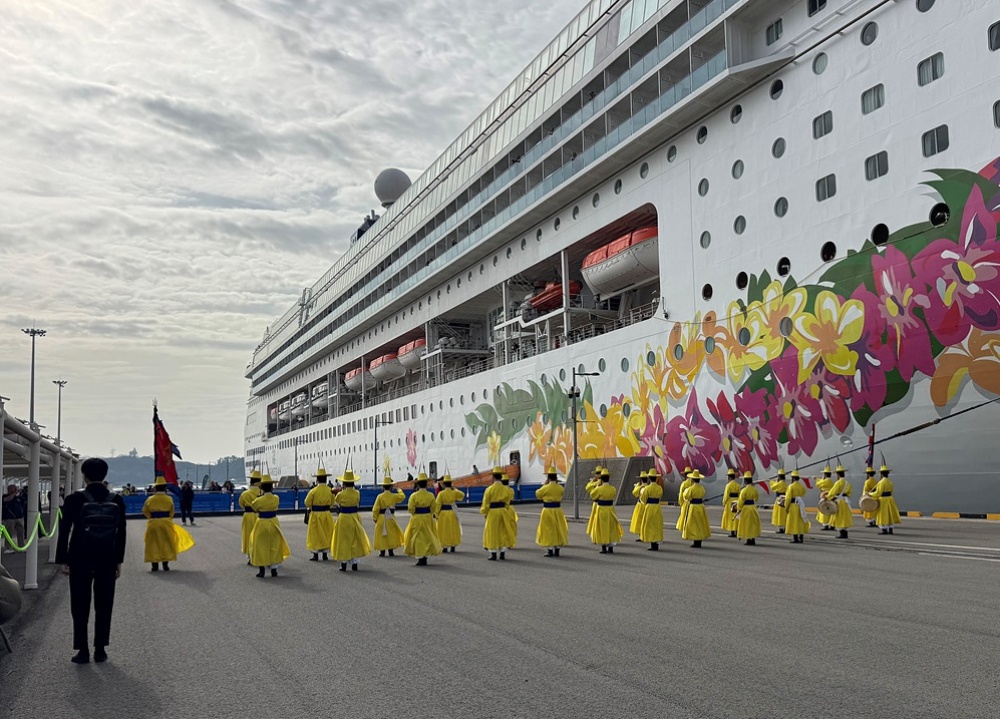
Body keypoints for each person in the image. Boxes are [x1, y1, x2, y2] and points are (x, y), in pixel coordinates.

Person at [55, 458, 127, 664]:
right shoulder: (116, 499)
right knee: (104, 604)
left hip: (80, 557)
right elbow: (121, 533)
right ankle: (101, 649)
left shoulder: (73, 499)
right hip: (106, 557)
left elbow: (64, 530)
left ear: (84, 475)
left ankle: (83, 650)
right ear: (104, 475)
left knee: (79, 604)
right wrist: (118, 561)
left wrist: (63, 559)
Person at [141, 475, 195, 571]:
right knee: (166, 543)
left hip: (153, 523)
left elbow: (145, 510)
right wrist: (167, 518)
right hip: (166, 522)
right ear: (165, 488)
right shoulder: (169, 499)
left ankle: (154, 565)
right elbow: (172, 512)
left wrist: (152, 517)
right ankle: (165, 564)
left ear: (155, 488)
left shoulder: (150, 499)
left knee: (153, 543)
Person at [249, 474, 290, 577]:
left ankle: (261, 569)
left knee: (260, 545)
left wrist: (260, 497)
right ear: (272, 487)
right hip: (273, 522)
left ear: (261, 487)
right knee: (274, 545)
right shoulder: (276, 498)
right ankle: (274, 569)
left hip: (262, 522)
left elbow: (254, 507)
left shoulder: (259, 500)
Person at [330, 470, 371, 571]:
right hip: (354, 517)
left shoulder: (340, 494)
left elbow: (336, 503)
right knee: (355, 540)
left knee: (343, 540)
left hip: (344, 517)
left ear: (344, 483)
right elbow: (357, 503)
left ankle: (343, 564)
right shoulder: (357, 493)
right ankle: (354, 563)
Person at [404, 473, 442, 566]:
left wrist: (414, 513)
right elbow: (434, 507)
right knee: (427, 536)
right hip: (427, 517)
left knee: (417, 537)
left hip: (417, 517)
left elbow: (411, 508)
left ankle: (420, 556)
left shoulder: (414, 496)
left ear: (417, 484)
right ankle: (425, 556)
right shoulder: (431, 495)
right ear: (426, 484)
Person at [481, 467, 516, 560]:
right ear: (501, 477)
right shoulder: (506, 489)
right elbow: (508, 501)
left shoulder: (489, 489)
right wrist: (506, 508)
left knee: (492, 531)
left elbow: (486, 502)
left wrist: (485, 512)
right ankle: (502, 551)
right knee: (503, 530)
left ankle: (493, 553)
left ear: (493, 477)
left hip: (493, 512)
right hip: (503, 510)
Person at [535, 467, 569, 557]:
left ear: (548, 477)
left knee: (548, 529)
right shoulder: (560, 488)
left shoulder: (546, 487)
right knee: (558, 528)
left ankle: (550, 549)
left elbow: (538, 494)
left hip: (547, 510)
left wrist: (544, 485)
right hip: (558, 510)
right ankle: (557, 548)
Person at [588, 470, 623, 553]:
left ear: (602, 479)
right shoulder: (613, 489)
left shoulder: (599, 489)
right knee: (611, 527)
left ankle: (604, 546)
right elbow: (613, 495)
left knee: (602, 528)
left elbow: (592, 495)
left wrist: (597, 486)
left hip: (602, 509)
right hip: (610, 509)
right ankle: (611, 547)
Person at [304, 468, 335, 561]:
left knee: (315, 534)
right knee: (326, 533)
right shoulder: (330, 490)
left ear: (317, 479)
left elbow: (307, 502)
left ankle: (315, 554)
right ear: (326, 479)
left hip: (316, 514)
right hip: (326, 514)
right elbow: (333, 503)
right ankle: (325, 554)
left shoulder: (313, 491)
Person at [372, 475, 406, 557]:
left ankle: (382, 551)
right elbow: (402, 497)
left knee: (381, 533)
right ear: (391, 487)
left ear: (383, 487)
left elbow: (375, 508)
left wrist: (375, 517)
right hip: (390, 517)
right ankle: (391, 550)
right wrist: (399, 490)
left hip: (381, 516)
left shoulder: (380, 496)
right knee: (391, 533)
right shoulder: (393, 496)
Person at [434, 474, 465, 552]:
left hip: (443, 514)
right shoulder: (453, 492)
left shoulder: (441, 493)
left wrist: (436, 514)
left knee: (444, 530)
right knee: (453, 529)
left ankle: (444, 546)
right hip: (452, 513)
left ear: (444, 484)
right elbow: (462, 495)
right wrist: (454, 489)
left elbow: (438, 504)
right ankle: (453, 545)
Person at [238, 471, 263, 565]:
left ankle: (250, 556)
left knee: (248, 535)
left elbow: (241, 504)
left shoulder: (245, 494)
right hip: (260, 515)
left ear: (251, 482)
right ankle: (260, 555)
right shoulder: (261, 493)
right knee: (259, 536)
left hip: (248, 515)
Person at [681, 470, 710, 548]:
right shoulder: (702, 488)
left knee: (693, 524)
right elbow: (703, 494)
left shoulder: (691, 488)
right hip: (700, 506)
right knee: (700, 524)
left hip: (693, 507)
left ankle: (695, 539)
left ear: (692, 479)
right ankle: (699, 540)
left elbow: (685, 496)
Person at [871, 464, 901, 535]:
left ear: (881, 473)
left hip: (883, 500)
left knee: (883, 514)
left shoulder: (881, 482)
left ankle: (884, 530)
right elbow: (891, 490)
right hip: (890, 499)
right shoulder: (890, 482)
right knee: (890, 514)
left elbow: (878, 493)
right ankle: (890, 529)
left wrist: (870, 494)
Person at [638, 469, 664, 551]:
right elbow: (660, 497)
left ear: (649, 478)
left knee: (649, 524)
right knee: (657, 525)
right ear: (656, 478)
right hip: (657, 506)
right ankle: (656, 542)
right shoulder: (659, 488)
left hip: (649, 507)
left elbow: (643, 499)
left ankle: (652, 542)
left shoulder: (647, 488)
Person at [783, 470, 811, 543]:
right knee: (800, 521)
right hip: (800, 505)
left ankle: (795, 538)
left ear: (793, 478)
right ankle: (801, 537)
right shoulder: (801, 486)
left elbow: (788, 497)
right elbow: (804, 492)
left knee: (794, 522)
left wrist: (786, 506)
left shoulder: (791, 486)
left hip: (793, 505)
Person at [827, 464, 854, 539]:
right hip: (845, 501)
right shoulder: (847, 483)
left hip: (839, 501)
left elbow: (832, 492)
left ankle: (842, 533)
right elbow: (849, 493)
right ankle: (845, 532)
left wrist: (827, 497)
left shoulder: (838, 483)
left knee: (839, 516)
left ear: (838, 474)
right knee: (845, 517)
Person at [736, 471, 761, 546]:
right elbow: (756, 499)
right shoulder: (754, 489)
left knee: (747, 524)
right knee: (753, 524)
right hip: (753, 508)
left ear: (745, 481)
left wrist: (739, 509)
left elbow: (740, 501)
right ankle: (752, 539)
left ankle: (748, 539)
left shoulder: (743, 490)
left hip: (746, 509)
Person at [2, 485, 25, 554]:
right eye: (12, 489)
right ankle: (8, 548)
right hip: (9, 518)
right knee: (9, 533)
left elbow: (23, 503)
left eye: (14, 489)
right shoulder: (4, 496)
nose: (13, 490)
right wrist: (14, 493)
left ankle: (21, 546)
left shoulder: (19, 498)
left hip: (19, 517)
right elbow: (7, 499)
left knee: (21, 533)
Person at [721, 469, 742, 538]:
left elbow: (726, 495)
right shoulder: (738, 485)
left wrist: (724, 502)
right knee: (736, 516)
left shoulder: (728, 485)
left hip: (730, 502)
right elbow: (740, 494)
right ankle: (736, 530)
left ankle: (732, 531)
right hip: (736, 501)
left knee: (730, 517)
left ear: (729, 478)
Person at [769, 468, 788, 534]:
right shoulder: (784, 483)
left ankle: (781, 528)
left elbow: (773, 487)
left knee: (779, 514)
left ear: (779, 476)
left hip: (779, 499)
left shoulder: (780, 483)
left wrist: (770, 481)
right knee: (784, 514)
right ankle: (784, 527)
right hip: (784, 499)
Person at [815, 466, 835, 530]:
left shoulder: (826, 480)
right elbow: (821, 482)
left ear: (825, 474)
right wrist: (817, 479)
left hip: (825, 496)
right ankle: (831, 524)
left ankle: (826, 524)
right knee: (830, 510)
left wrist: (818, 480)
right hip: (830, 496)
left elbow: (818, 484)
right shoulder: (830, 481)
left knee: (824, 510)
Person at [585, 466, 603, 537]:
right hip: (596, 503)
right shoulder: (600, 482)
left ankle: (596, 534)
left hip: (598, 503)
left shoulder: (599, 482)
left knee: (596, 520)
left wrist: (592, 482)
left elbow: (588, 488)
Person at [629, 471, 647, 540]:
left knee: (640, 520)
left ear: (641, 480)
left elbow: (634, 493)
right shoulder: (648, 487)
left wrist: (637, 486)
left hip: (641, 505)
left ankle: (641, 535)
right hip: (648, 505)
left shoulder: (641, 487)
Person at [675, 467, 693, 532]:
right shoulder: (693, 483)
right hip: (693, 503)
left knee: (685, 516)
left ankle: (685, 529)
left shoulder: (684, 484)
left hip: (686, 503)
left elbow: (681, 495)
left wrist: (681, 503)